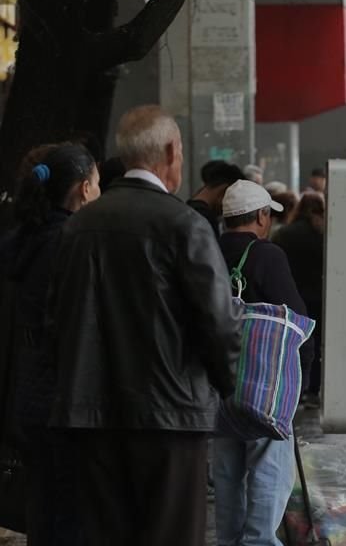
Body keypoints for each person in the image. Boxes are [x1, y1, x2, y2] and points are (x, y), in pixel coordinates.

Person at [47, 104, 242, 546]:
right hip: (171, 420)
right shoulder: (183, 224)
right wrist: (227, 387)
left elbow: (55, 319)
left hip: (91, 417)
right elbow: (219, 324)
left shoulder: (78, 229)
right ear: (172, 152)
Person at [0, 143, 100, 546]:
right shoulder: (72, 242)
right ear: (82, 189)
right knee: (72, 513)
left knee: (42, 507)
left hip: (27, 392)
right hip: (66, 396)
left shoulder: (21, 240)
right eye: (96, 183)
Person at [214, 180, 306, 546]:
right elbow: (296, 319)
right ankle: (259, 543)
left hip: (219, 382)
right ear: (262, 216)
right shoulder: (268, 255)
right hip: (264, 385)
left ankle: (230, 542)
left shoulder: (206, 248)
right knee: (269, 469)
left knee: (226, 474)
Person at [273, 193, 325, 407]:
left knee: (290, 343)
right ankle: (312, 391)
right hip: (317, 297)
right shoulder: (321, 235)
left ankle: (291, 389)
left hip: (290, 295)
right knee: (315, 344)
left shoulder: (283, 234)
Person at [188, 160, 245, 235]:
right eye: (233, 198)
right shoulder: (206, 220)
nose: (230, 206)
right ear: (224, 190)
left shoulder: (186, 209)